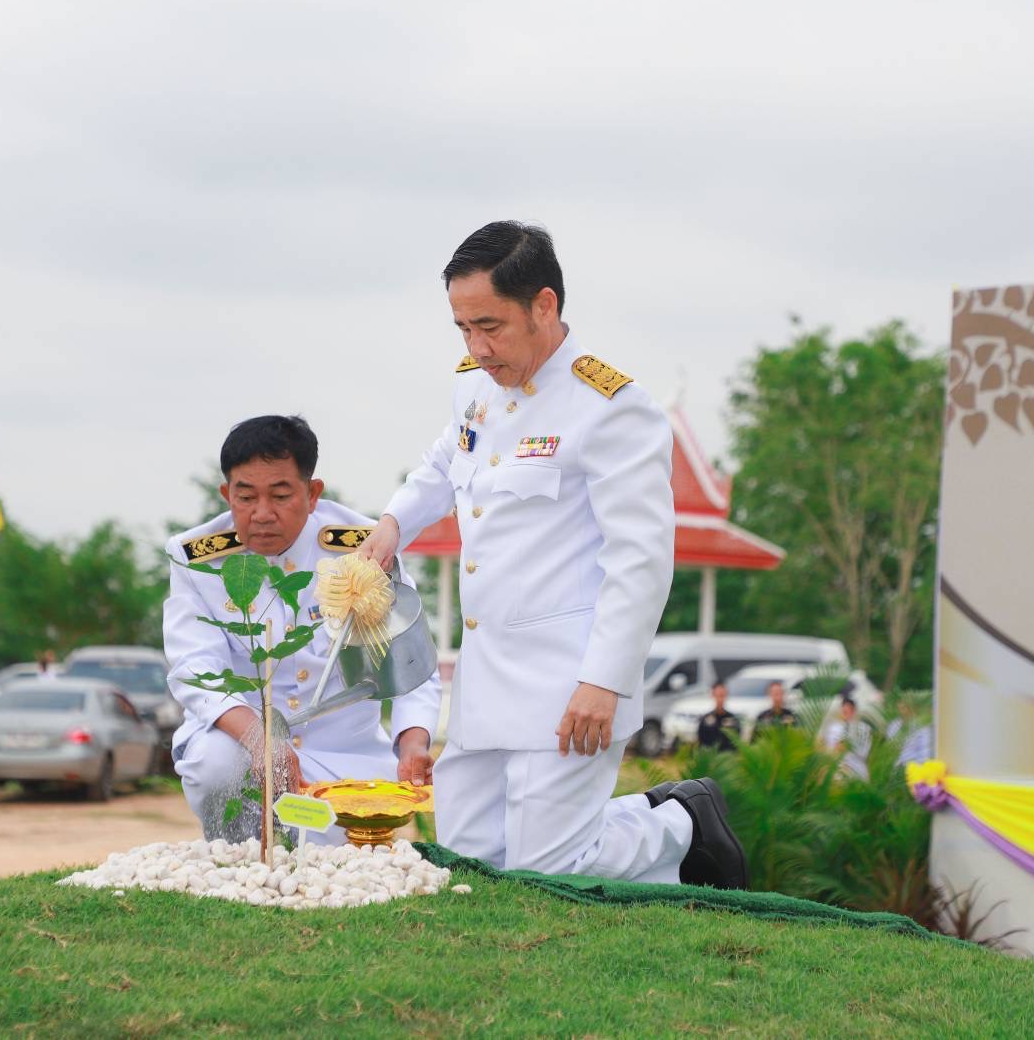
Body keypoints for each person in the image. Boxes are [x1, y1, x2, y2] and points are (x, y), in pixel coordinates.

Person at [357, 221, 745, 888]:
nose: (477, 347)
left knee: (550, 868)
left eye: (490, 326)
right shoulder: (474, 386)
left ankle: (681, 820)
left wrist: (606, 680)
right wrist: (393, 522)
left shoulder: (612, 408)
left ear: (543, 305)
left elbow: (642, 560)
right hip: (485, 676)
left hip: (570, 682)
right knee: (472, 861)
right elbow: (443, 460)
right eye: (461, 329)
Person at [162, 415, 441, 842]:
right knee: (215, 768)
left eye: (280, 495)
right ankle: (232, 857)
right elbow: (194, 669)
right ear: (226, 494)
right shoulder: (197, 560)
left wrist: (413, 743)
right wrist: (260, 739)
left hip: (344, 758)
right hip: (244, 750)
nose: (262, 514)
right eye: (246, 496)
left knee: (336, 867)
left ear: (312, 494)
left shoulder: (364, 549)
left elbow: (411, 667)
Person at [696, 682, 741, 753]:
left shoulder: (733, 719)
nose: (720, 699)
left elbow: (736, 744)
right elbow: (701, 742)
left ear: (726, 695)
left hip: (727, 759)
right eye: (718, 695)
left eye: (722, 695)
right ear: (713, 695)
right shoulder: (705, 720)